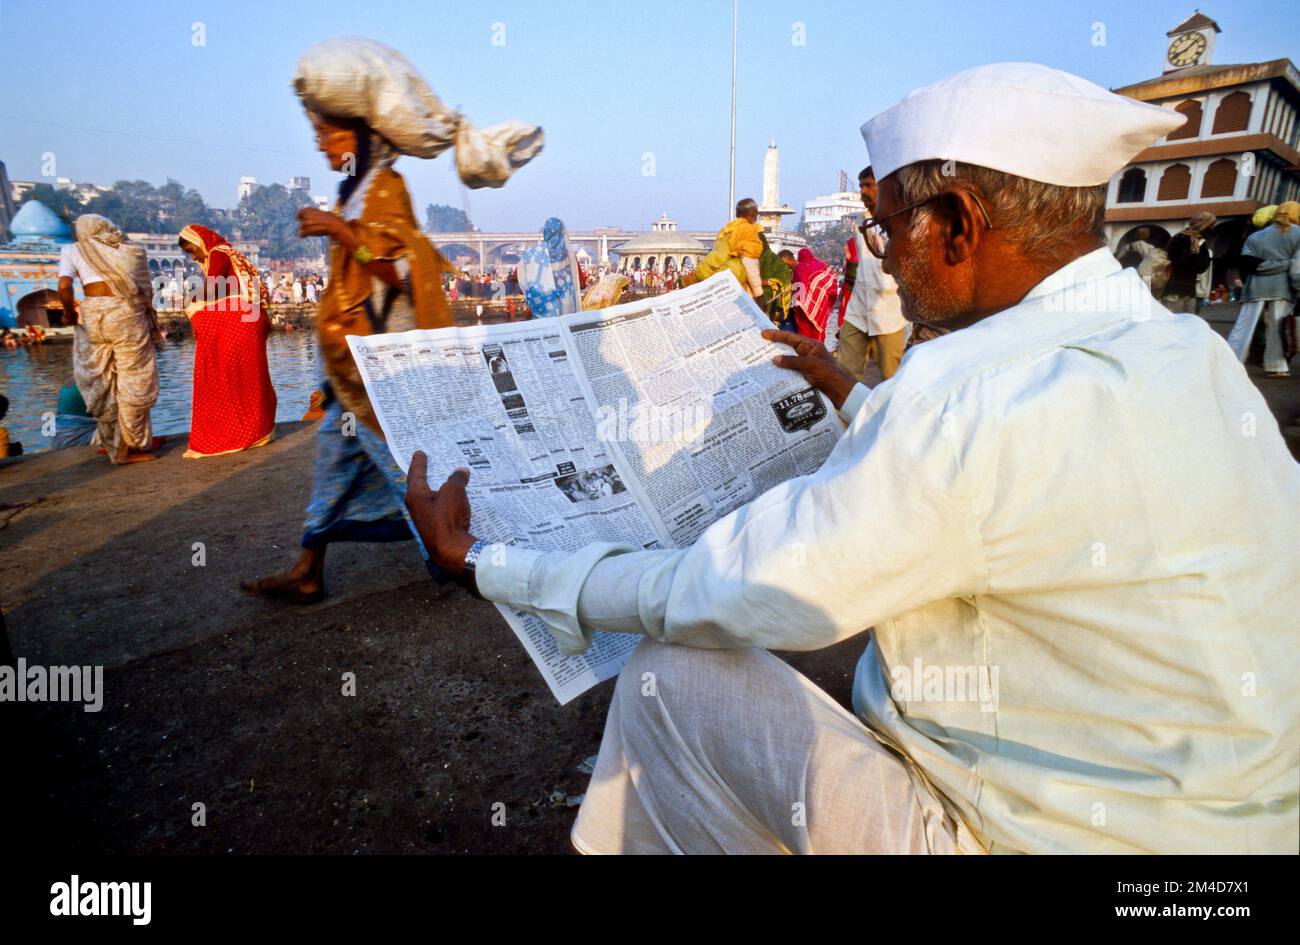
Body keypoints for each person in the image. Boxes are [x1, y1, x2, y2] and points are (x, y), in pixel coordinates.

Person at [405, 63, 1298, 855]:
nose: (887, 257)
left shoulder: (960, 399)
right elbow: (1014, 487)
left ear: (956, 224)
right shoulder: (1187, 352)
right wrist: (856, 394)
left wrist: (492, 563)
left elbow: (736, 589)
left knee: (671, 679)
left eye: (887, 227)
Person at [241, 36, 542, 604]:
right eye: (318, 136)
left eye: (329, 134)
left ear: (362, 134)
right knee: (334, 458)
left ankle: (459, 562)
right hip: (351, 366)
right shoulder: (353, 195)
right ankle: (309, 568)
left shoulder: (384, 189)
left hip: (384, 371)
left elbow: (400, 268)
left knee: (408, 469)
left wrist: (342, 234)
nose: (323, 145)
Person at [57, 214, 160, 465]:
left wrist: (69, 312)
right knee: (134, 381)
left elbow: (63, 286)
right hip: (126, 315)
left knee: (101, 381)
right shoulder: (131, 251)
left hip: (93, 317)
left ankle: (116, 448)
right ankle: (135, 442)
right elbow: (146, 289)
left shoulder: (73, 250)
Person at [178, 224, 278, 458]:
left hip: (237, 322)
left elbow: (213, 288)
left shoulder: (218, 253)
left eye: (191, 249)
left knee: (230, 381)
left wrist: (189, 301)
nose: (192, 256)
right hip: (249, 320)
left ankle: (237, 434)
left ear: (199, 241)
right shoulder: (230, 253)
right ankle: (258, 431)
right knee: (251, 380)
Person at [840, 167, 907, 381]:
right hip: (858, 308)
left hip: (889, 310)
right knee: (845, 371)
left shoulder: (901, 219)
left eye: (869, 185)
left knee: (891, 375)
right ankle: (844, 414)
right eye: (861, 186)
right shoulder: (861, 221)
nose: (863, 191)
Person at [1225, 201, 1300, 378]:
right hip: (1282, 288)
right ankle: (1276, 366)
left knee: (1244, 325)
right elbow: (1297, 267)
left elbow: (1247, 262)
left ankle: (1229, 361)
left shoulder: (1256, 236)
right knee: (1277, 326)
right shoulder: (1298, 234)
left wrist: (1268, 266)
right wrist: (1296, 283)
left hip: (1255, 286)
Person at [682, 198, 766, 299]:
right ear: (752, 214)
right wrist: (759, 293)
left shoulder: (727, 229)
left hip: (704, 273)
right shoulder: (749, 230)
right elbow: (749, 262)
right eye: (757, 213)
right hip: (725, 279)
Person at [1161, 213, 1215, 314]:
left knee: (1185, 325)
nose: (1212, 227)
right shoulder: (1181, 238)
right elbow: (1178, 261)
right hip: (1175, 291)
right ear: (1203, 224)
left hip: (1188, 291)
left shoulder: (1198, 241)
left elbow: (1201, 267)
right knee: (1175, 325)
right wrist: (1195, 254)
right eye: (1211, 224)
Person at [788, 247, 837, 343]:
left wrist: (797, 306)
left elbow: (796, 286)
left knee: (804, 330)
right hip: (821, 304)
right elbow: (833, 289)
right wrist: (829, 304)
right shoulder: (824, 268)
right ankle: (818, 353)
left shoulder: (799, 267)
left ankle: (805, 354)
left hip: (802, 305)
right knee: (818, 330)